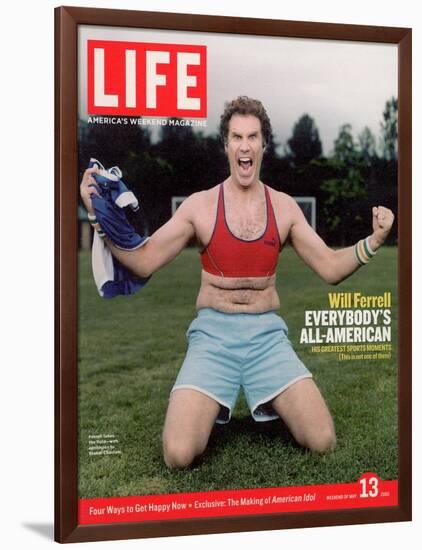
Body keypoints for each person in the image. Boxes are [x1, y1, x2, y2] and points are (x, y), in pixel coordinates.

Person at [80, 96, 394, 469]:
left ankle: (268, 400)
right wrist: (99, 216)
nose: (245, 146)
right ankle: (209, 401)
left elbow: (329, 267)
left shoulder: (284, 207)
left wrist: (373, 242)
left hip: (267, 338)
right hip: (213, 337)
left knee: (322, 440)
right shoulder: (199, 206)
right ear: (226, 145)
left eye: (253, 137)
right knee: (178, 455)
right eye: (236, 137)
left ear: (264, 144)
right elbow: (145, 260)